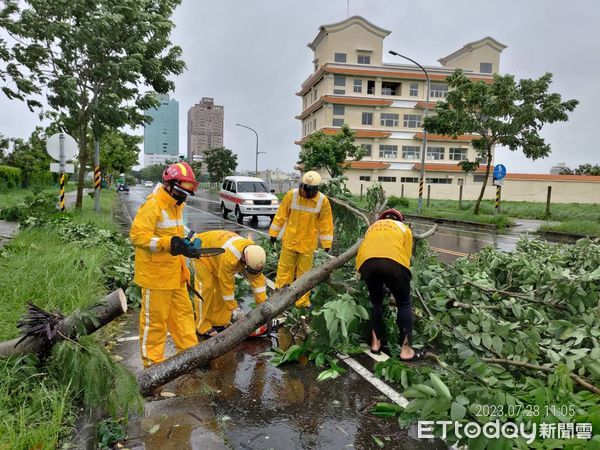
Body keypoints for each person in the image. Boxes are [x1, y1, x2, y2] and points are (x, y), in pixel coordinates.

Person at [130, 162, 201, 367]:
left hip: (176, 273)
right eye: (181, 191)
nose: (184, 196)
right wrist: (166, 243)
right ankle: (153, 365)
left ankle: (190, 355)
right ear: (169, 185)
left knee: (184, 316)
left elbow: (177, 233)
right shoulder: (153, 205)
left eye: (187, 192)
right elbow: (137, 237)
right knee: (155, 322)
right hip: (156, 276)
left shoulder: (176, 205)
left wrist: (191, 241)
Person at [355, 209, 426, 361]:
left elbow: (369, 250)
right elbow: (405, 258)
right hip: (394, 264)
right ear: (401, 219)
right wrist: (396, 282)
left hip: (366, 263)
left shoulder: (373, 227)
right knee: (404, 303)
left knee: (376, 301)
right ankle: (406, 351)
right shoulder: (404, 228)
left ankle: (375, 344)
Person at [268, 171, 334, 308]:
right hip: (290, 240)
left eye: (306, 190)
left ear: (314, 190)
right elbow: (281, 215)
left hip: (307, 243)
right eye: (302, 188)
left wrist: (327, 243)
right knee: (284, 270)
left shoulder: (322, 201)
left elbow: (326, 223)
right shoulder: (291, 195)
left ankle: (302, 302)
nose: (303, 192)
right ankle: (279, 295)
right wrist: (273, 234)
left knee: (304, 274)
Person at [191, 230, 268, 337]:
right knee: (206, 288)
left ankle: (220, 323)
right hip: (203, 252)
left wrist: (263, 305)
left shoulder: (254, 254)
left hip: (218, 254)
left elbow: (258, 281)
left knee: (219, 290)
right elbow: (226, 286)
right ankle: (202, 326)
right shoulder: (230, 258)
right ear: (244, 260)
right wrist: (235, 310)